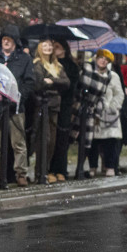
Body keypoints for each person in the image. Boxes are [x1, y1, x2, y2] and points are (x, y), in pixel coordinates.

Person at [0, 25, 35, 187]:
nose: (6, 41)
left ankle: (21, 174)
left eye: (9, 39)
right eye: (4, 39)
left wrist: (19, 97)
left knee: (18, 143)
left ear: (15, 42)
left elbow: (29, 82)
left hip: (15, 107)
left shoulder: (24, 59)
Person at [31, 38, 70, 182]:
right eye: (45, 45)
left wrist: (52, 81)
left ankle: (46, 171)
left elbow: (66, 83)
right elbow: (40, 83)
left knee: (52, 141)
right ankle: (39, 173)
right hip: (43, 105)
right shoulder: (38, 64)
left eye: (50, 45)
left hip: (55, 106)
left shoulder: (57, 66)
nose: (48, 48)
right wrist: (52, 84)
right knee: (44, 140)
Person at [88, 50, 125, 177]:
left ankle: (110, 166)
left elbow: (119, 94)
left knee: (110, 142)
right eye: (101, 58)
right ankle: (92, 166)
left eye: (106, 59)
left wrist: (112, 107)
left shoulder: (113, 76)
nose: (103, 61)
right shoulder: (90, 74)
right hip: (93, 112)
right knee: (92, 141)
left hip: (109, 114)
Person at [49, 40, 80, 182]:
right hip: (52, 104)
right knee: (51, 139)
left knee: (62, 139)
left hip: (65, 105)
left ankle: (61, 169)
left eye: (57, 47)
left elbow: (72, 86)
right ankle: (49, 169)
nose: (55, 50)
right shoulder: (50, 64)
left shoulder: (71, 66)